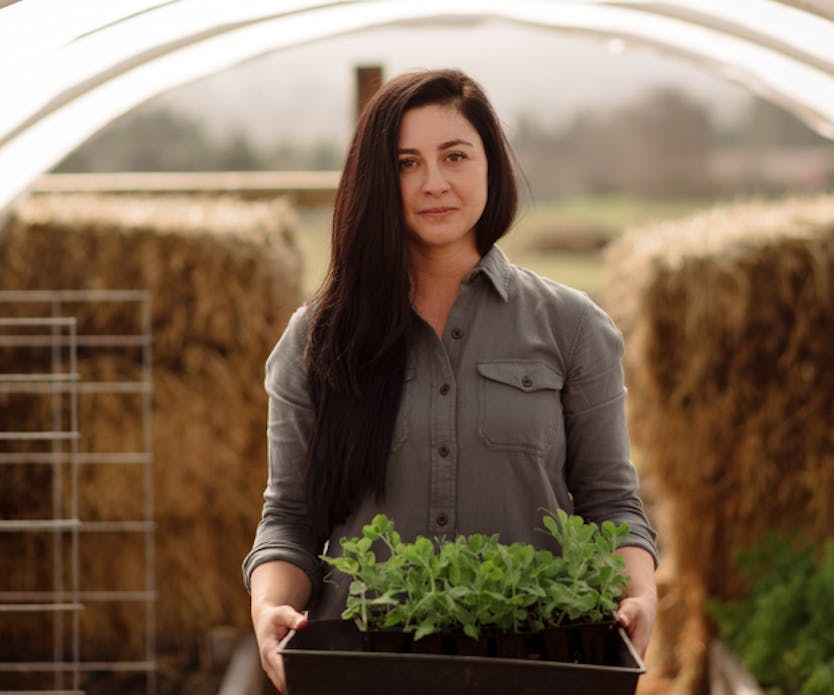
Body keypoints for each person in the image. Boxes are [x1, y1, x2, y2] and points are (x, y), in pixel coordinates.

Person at [243, 68, 658, 693]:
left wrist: (639, 590)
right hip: (361, 671)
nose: (433, 183)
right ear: (378, 182)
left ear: (491, 165)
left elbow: (611, 505)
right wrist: (269, 605)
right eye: (406, 163)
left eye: (454, 156)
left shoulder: (572, 328)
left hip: (530, 667)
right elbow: (291, 519)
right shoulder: (316, 341)